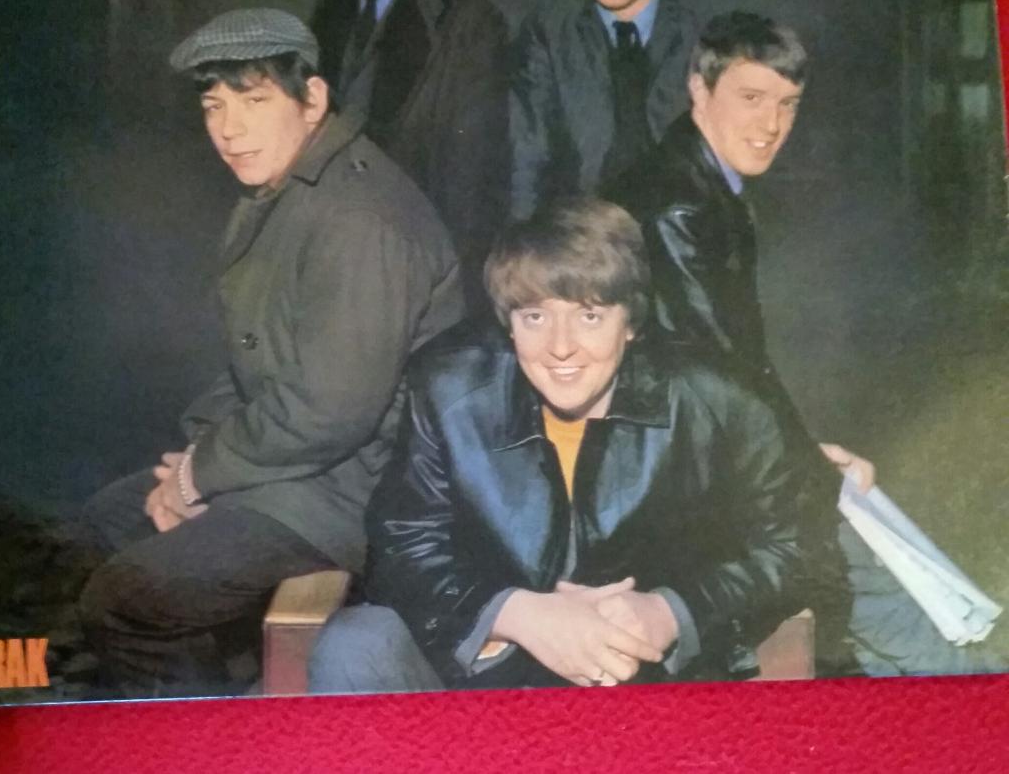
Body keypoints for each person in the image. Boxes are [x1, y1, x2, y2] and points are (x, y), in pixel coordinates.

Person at [79, 8, 464, 698]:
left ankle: (218, 737)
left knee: (123, 601)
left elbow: (330, 411)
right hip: (299, 467)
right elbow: (253, 359)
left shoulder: (359, 218)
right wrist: (195, 457)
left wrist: (199, 477)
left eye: (254, 101)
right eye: (214, 106)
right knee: (113, 516)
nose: (229, 129)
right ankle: (227, 691)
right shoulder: (284, 188)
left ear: (312, 99)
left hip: (353, 492)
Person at [308, 198, 814, 693]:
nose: (560, 347)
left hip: (641, 680)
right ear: (509, 323)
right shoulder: (450, 387)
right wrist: (514, 614)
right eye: (535, 317)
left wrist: (672, 611)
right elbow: (402, 542)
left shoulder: (719, 399)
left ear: (631, 323)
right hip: (488, 671)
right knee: (356, 643)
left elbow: (797, 546)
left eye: (589, 316)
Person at [635, 10, 1003, 676]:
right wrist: (805, 465)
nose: (771, 124)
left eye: (788, 104)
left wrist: (806, 449)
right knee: (915, 619)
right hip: (697, 482)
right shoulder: (679, 206)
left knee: (904, 602)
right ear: (698, 88)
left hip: (711, 459)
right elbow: (717, 377)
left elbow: (735, 366)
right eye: (751, 97)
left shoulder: (698, 179)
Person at [310, 0, 509, 312]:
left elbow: (472, 181)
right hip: (330, 250)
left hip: (412, 266)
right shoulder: (332, 4)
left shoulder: (470, 23)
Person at [510, 0, 698, 220]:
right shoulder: (548, 31)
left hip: (681, 234)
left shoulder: (700, 34)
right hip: (580, 235)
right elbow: (526, 156)